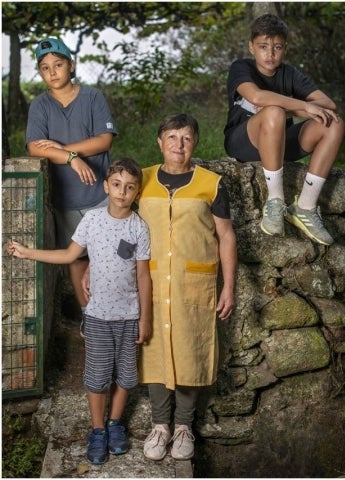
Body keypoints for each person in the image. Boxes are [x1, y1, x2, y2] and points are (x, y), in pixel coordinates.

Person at [7, 158, 151, 465]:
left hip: (129, 316)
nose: (122, 192)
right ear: (106, 187)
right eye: (116, 185)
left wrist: (145, 319)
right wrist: (28, 252)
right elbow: (69, 255)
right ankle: (97, 430)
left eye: (129, 187)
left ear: (137, 193)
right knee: (98, 378)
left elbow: (143, 276)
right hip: (98, 316)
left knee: (126, 377)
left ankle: (115, 424)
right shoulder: (92, 221)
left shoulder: (139, 227)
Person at [138, 114, 237, 461]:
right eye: (172, 137)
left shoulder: (211, 183)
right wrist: (95, 264)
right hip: (151, 281)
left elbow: (226, 236)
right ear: (160, 141)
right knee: (153, 350)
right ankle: (159, 425)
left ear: (195, 143)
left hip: (193, 283)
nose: (178, 145)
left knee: (189, 350)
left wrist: (229, 287)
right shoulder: (143, 180)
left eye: (186, 138)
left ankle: (183, 427)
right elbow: (125, 229)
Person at [223, 13, 345, 246]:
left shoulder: (289, 74)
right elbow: (257, 96)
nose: (270, 54)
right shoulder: (241, 67)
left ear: (285, 48)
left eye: (277, 47)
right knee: (274, 113)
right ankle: (276, 200)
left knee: (334, 123)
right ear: (251, 47)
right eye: (263, 47)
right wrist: (303, 106)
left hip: (277, 143)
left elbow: (329, 104)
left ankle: (305, 207)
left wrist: (293, 110)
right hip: (244, 141)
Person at [26, 37, 117, 313]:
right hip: (65, 199)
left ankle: (111, 314)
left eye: (58, 64)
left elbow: (103, 140)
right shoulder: (40, 106)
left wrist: (63, 149)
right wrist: (71, 158)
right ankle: (88, 316)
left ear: (71, 65)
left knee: (106, 258)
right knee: (76, 260)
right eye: (45, 67)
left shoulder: (92, 97)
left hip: (98, 195)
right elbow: (34, 148)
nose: (52, 72)